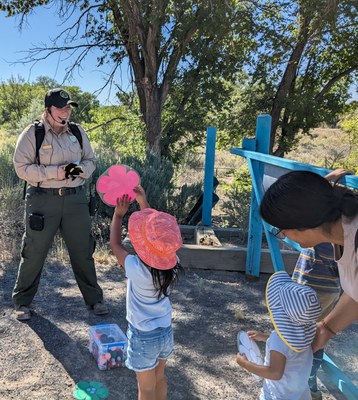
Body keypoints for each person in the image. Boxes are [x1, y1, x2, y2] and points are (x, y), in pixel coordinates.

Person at [13, 88, 108, 320]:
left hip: (76, 199)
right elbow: (21, 168)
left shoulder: (77, 131)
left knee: (83, 250)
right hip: (42, 200)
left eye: (68, 107)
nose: (66, 112)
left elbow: (90, 160)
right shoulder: (32, 134)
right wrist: (57, 172)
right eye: (60, 107)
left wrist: (79, 170)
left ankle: (95, 300)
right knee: (33, 251)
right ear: (48, 110)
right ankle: (22, 302)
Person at [259, 170, 358, 353]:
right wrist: (326, 328)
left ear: (302, 223)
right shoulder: (342, 235)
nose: (282, 235)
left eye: (282, 229)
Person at [110, 186, 183, 400]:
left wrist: (117, 215)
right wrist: (143, 201)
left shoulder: (136, 268)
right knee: (160, 379)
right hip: (165, 331)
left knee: (146, 389)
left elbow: (115, 244)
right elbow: (157, 234)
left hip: (143, 336)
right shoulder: (173, 264)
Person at [236, 270, 321, 400]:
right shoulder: (306, 332)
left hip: (277, 396)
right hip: (301, 394)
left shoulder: (278, 339)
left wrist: (245, 364)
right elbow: (289, 349)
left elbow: (274, 373)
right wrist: (264, 337)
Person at [292, 243, 340, 400]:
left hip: (316, 288)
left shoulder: (327, 224)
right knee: (311, 335)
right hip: (317, 286)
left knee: (308, 337)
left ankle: (307, 384)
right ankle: (307, 381)